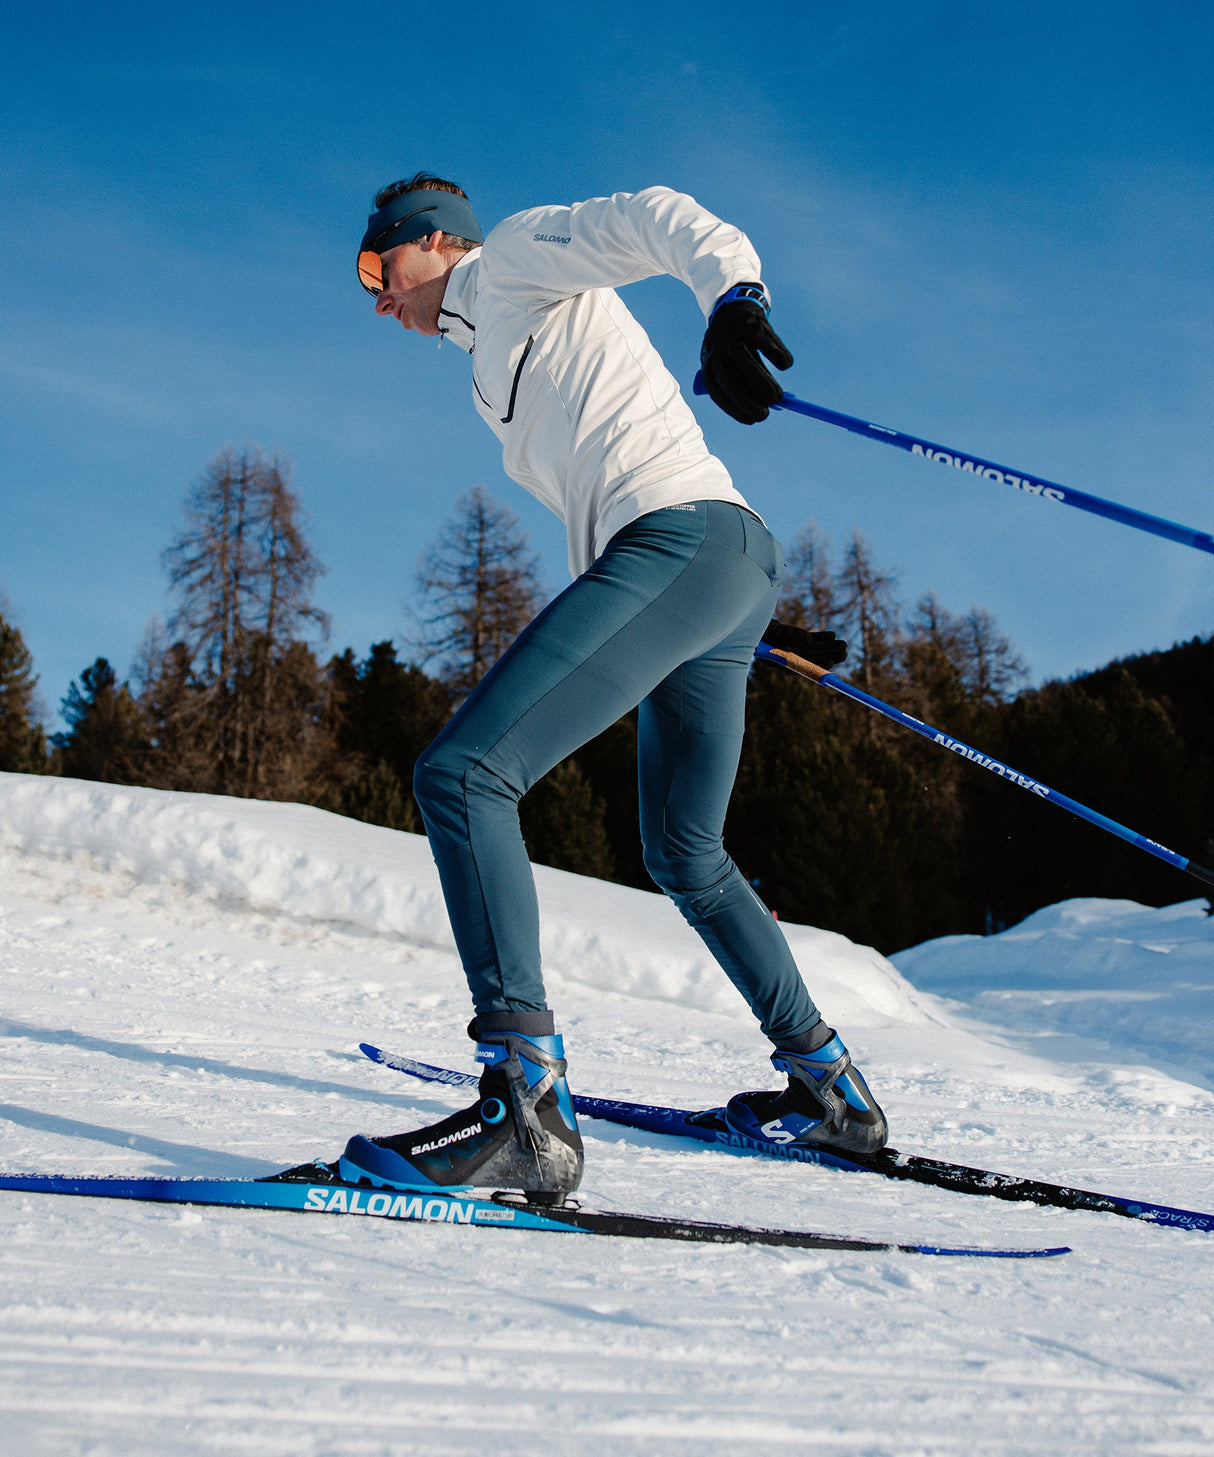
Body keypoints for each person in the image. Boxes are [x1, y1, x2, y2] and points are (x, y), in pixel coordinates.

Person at [339, 174, 887, 1203]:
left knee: (463, 774)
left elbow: (657, 217)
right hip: (710, 559)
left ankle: (526, 1112)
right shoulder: (488, 360)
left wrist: (733, 299)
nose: (375, 295)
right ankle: (830, 1092)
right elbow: (618, 467)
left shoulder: (510, 260)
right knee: (683, 850)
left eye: (379, 265)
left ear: (432, 241)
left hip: (682, 544)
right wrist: (739, 608)